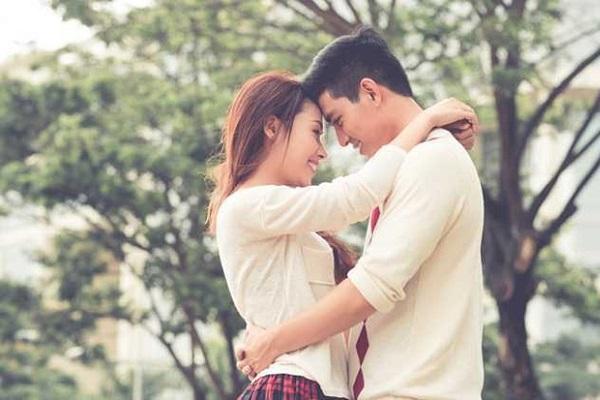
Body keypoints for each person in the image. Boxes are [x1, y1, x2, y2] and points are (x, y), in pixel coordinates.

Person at [236, 27, 485, 400]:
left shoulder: (432, 162)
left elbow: (370, 289)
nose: (340, 141)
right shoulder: (410, 168)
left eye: (336, 120)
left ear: (370, 92)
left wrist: (273, 342)